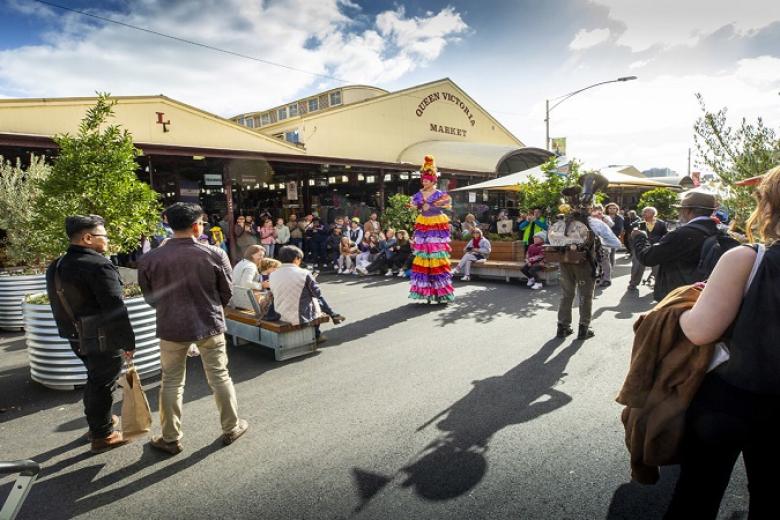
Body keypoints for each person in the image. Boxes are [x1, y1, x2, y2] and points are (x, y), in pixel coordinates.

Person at [664, 166, 780, 519]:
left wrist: (681, 310)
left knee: (697, 494)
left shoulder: (747, 258)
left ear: (769, 205)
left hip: (730, 402)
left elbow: (699, 331)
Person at [138, 202, 248, 455]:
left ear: (168, 224)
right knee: (219, 376)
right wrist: (212, 305)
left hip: (170, 324)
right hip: (208, 321)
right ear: (197, 225)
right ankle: (231, 427)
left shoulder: (150, 258)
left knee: (171, 381)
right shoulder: (214, 253)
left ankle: (170, 437)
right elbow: (227, 291)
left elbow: (149, 297)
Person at [46, 214, 135, 454]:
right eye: (103, 235)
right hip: (102, 338)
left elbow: (56, 303)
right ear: (87, 238)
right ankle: (102, 435)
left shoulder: (57, 265)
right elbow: (115, 308)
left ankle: (100, 422)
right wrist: (128, 342)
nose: (107, 240)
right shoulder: (99, 265)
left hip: (75, 336)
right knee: (102, 384)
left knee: (95, 380)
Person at [549, 202, 620, 340]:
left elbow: (551, 240)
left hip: (565, 261)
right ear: (590, 208)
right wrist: (599, 242)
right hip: (585, 263)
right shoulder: (595, 223)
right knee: (585, 296)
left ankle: (562, 327)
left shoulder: (560, 223)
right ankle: (584, 328)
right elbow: (615, 243)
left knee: (566, 295)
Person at [631, 193, 717, 301]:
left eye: (680, 209)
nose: (678, 213)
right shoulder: (719, 232)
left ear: (687, 211)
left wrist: (640, 237)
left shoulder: (682, 234)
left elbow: (647, 257)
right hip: (705, 295)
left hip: (679, 296)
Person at [270, 246, 345, 343]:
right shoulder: (304, 273)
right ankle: (318, 333)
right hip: (298, 316)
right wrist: (313, 280)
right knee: (315, 300)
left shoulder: (273, 274)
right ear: (296, 259)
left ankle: (333, 316)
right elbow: (317, 293)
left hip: (279, 313)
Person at [409, 155, 454, 303]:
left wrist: (433, 205)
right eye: (423, 180)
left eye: (427, 180)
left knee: (436, 257)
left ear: (433, 180)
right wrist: (414, 205)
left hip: (435, 225)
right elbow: (412, 205)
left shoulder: (439, 193)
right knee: (424, 258)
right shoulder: (418, 194)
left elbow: (447, 203)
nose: (424, 182)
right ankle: (427, 292)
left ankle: (441, 293)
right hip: (423, 225)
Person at [628, 207, 667, 290]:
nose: (644, 213)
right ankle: (633, 283)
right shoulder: (638, 223)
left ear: (653, 213)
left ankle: (658, 284)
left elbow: (665, 235)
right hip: (641, 248)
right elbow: (633, 235)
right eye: (643, 212)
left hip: (656, 248)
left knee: (657, 268)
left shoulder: (661, 223)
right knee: (637, 266)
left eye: (646, 212)